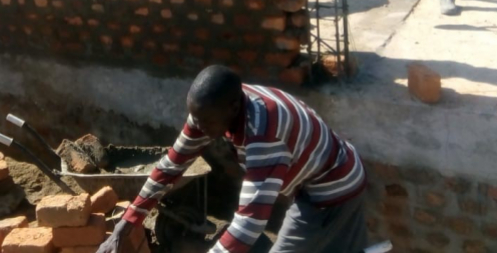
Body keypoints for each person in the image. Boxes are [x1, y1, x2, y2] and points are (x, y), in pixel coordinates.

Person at [98, 66, 367, 253]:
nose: (199, 127)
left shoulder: (263, 134)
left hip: (331, 189)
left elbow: (250, 222)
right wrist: (126, 224)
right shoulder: (210, 109)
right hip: (317, 178)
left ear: (234, 108)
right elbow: (171, 166)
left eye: (206, 121)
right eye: (196, 119)